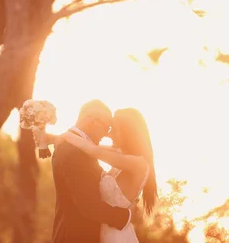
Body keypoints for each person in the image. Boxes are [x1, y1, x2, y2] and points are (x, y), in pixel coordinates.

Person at [39, 100, 157, 243]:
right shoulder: (74, 152)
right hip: (82, 235)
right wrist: (125, 216)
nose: (108, 134)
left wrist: (63, 136)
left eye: (112, 129)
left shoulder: (135, 162)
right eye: (107, 127)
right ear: (91, 122)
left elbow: (95, 151)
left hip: (113, 235)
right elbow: (88, 206)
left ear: (126, 132)